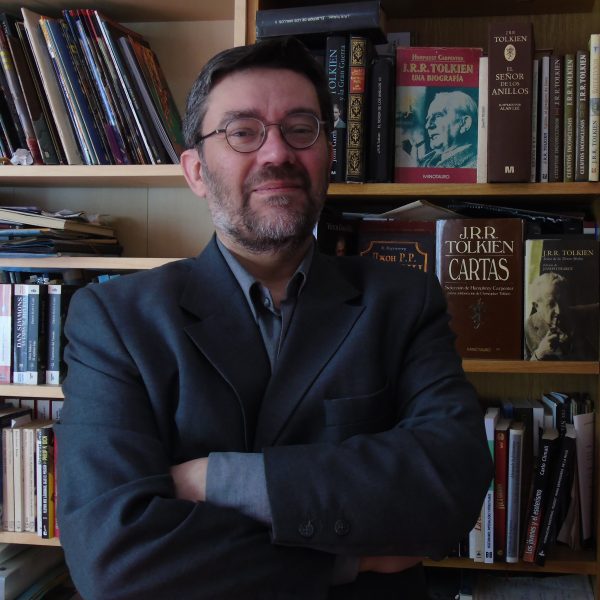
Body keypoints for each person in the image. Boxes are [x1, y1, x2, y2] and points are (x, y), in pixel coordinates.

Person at [56, 37, 492, 599]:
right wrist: (350, 560)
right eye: (243, 132)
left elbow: (452, 481)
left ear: (328, 156)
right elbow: (113, 560)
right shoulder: (115, 320)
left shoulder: (403, 301)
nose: (276, 153)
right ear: (195, 171)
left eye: (301, 128)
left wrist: (218, 479)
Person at [525, 271, 598, 360]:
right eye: (551, 304)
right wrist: (540, 353)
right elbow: (521, 367)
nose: (559, 311)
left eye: (562, 302)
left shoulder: (577, 316)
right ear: (536, 306)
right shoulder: (525, 329)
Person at [420, 90, 478, 168]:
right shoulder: (421, 162)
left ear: (464, 123)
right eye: (428, 119)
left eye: (438, 116)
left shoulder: (476, 166)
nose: (428, 126)